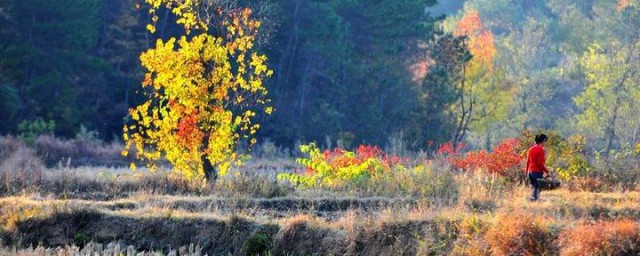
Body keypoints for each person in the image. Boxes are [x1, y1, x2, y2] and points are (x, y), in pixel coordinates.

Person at [525, 134, 550, 201]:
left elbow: (528, 162)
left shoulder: (530, 149)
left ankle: (534, 202)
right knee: (537, 188)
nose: (546, 143)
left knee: (535, 188)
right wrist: (547, 171)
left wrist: (526, 173)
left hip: (530, 173)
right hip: (537, 173)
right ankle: (533, 201)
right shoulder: (540, 150)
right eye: (545, 141)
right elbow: (540, 164)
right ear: (543, 141)